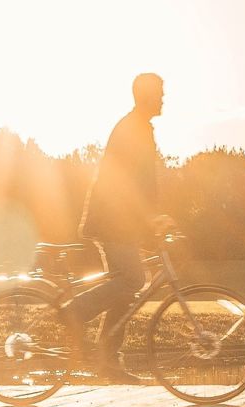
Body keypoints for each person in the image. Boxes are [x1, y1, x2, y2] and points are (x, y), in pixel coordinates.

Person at [65, 72, 175, 364]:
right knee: (133, 279)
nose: (164, 98)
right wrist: (149, 216)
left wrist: (152, 218)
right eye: (161, 92)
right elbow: (128, 183)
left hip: (121, 221)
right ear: (146, 95)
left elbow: (144, 185)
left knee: (125, 290)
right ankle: (74, 312)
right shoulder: (132, 129)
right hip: (112, 219)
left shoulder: (140, 127)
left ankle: (107, 360)